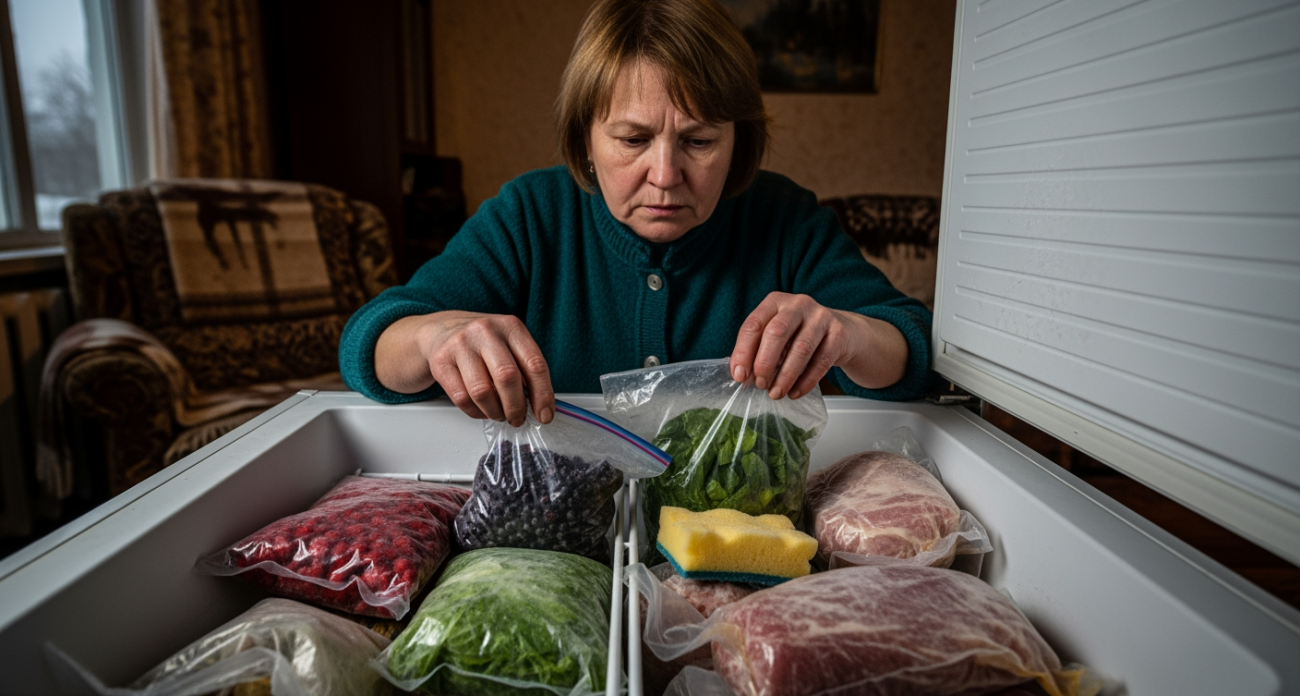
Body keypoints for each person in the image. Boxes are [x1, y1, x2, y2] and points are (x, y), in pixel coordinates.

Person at [339, 0, 933, 427]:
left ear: (739, 144)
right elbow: (371, 346)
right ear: (586, 141)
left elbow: (911, 351)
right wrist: (433, 336)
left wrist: (847, 333)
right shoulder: (530, 214)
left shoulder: (787, 219)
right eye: (632, 140)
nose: (666, 175)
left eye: (699, 142)